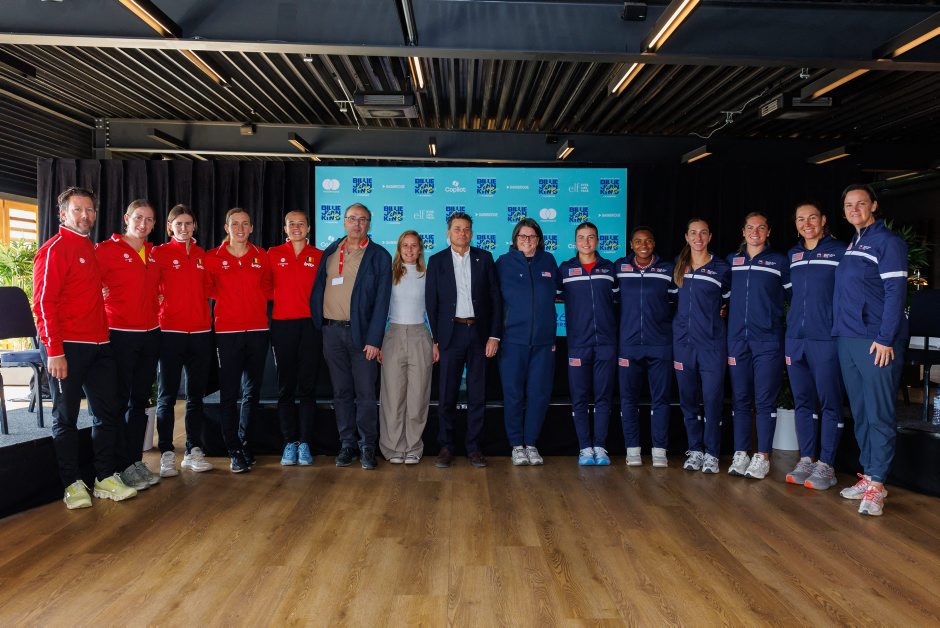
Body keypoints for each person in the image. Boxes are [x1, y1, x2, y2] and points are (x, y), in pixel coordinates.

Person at [33, 186, 137, 508]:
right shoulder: (54, 249)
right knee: (65, 417)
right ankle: (72, 484)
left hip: (100, 345)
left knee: (107, 414)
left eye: (89, 210)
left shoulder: (90, 249)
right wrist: (54, 350)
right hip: (67, 347)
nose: (85, 215)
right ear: (63, 214)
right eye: (77, 210)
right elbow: (43, 304)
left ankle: (104, 477)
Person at [833, 184, 908, 516]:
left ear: (874, 205)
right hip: (849, 338)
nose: (855, 209)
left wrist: (886, 338)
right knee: (862, 411)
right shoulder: (854, 242)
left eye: (861, 203)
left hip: (875, 341)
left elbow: (895, 292)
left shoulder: (888, 242)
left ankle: (878, 484)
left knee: (879, 413)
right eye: (849, 205)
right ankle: (868, 475)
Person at [310, 203, 391, 470]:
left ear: (369, 224)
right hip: (332, 332)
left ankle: (367, 446)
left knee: (366, 393)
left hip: (363, 336)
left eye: (362, 219)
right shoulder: (331, 251)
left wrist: (374, 340)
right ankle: (347, 444)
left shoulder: (379, 256)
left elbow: (382, 301)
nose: (357, 224)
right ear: (344, 221)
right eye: (352, 218)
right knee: (341, 392)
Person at [425, 211, 502, 469]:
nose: (462, 233)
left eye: (467, 229)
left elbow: (495, 299)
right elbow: (431, 303)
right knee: (446, 394)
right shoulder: (436, 261)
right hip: (450, 335)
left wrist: (494, 335)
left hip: (479, 333)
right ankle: (446, 446)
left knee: (477, 394)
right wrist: (435, 340)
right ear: (448, 233)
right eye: (457, 229)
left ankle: (474, 447)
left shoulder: (485, 258)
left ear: (472, 232)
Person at [95, 199, 162, 491]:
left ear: (154, 224)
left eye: (149, 220)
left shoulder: (154, 254)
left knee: (140, 402)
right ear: (126, 218)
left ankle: (134, 461)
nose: (143, 224)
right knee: (119, 401)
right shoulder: (105, 250)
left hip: (150, 334)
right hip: (120, 334)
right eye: (138, 218)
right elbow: (86, 284)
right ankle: (119, 466)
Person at [205, 208, 272, 473]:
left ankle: (245, 444)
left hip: (258, 331)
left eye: (245, 224)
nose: (240, 229)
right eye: (235, 224)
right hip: (227, 333)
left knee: (252, 393)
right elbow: (206, 288)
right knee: (229, 394)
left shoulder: (262, 256)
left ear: (252, 228)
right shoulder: (212, 257)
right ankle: (233, 448)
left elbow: (267, 288)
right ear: (226, 227)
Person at [784, 202, 846, 489]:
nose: (806, 224)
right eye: (801, 219)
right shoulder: (793, 255)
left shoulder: (839, 251)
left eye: (812, 218)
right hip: (795, 339)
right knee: (803, 402)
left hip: (826, 339)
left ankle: (826, 465)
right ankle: (807, 458)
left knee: (830, 402)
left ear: (823, 220)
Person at [725, 213, 790, 480]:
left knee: (764, 400)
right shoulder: (732, 261)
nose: (755, 232)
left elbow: (793, 296)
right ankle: (741, 453)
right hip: (737, 340)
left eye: (761, 227)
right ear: (743, 231)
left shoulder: (779, 261)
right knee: (740, 398)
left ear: (768, 231)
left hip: (768, 340)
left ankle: (762, 456)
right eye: (750, 227)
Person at [151, 204, 214, 475]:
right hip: (170, 333)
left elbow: (211, 288)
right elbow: (146, 284)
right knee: (166, 396)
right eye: (179, 224)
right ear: (170, 227)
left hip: (200, 333)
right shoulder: (159, 253)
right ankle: (167, 452)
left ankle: (193, 450)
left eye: (188, 223)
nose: (184, 228)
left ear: (194, 226)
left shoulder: (202, 255)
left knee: (195, 397)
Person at [496, 218, 559, 466]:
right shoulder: (503, 263)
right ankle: (516, 445)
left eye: (532, 236)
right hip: (512, 341)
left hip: (544, 343)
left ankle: (531, 443)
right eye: (522, 236)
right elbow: (494, 300)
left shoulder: (549, 261)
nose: (527, 240)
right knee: (513, 394)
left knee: (539, 394)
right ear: (515, 239)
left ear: (538, 239)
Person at [672, 218, 731, 474]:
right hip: (683, 344)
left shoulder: (722, 268)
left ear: (709, 237)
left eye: (703, 233)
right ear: (686, 237)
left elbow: (728, 302)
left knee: (712, 399)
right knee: (688, 400)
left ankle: (712, 454)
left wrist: (722, 310)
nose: (698, 238)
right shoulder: (678, 265)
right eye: (693, 233)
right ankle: (695, 450)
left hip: (712, 345)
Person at [614, 226, 676, 468]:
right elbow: (612, 299)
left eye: (648, 241)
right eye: (638, 241)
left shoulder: (668, 269)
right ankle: (632, 449)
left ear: (654, 244)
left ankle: (659, 450)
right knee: (628, 399)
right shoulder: (619, 268)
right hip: (628, 345)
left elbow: (678, 301)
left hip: (660, 344)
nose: (643, 245)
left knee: (660, 399)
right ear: (631, 245)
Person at [558, 222, 617, 466]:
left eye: (591, 237)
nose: (586, 241)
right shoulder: (565, 269)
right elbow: (553, 296)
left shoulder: (609, 268)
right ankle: (584, 447)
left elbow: (620, 299)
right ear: (575, 241)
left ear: (598, 240)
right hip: (578, 344)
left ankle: (600, 447)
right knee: (580, 397)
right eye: (581, 237)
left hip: (606, 343)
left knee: (603, 396)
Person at [269, 211, 323, 467]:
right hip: (282, 325)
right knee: (286, 387)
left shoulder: (319, 256)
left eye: (301, 224)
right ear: (285, 228)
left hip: (310, 326)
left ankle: (305, 443)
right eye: (292, 224)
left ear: (309, 228)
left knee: (308, 388)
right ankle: (289, 442)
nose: (296, 228)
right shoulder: (272, 254)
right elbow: (264, 286)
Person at [378, 230, 436, 464]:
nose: (410, 250)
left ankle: (413, 447)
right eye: (405, 246)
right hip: (393, 335)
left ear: (420, 249)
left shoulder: (427, 275)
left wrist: (435, 342)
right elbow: (380, 310)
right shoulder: (389, 275)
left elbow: (433, 310)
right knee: (392, 396)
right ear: (399, 249)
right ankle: (392, 447)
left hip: (420, 335)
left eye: (414, 246)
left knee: (418, 395)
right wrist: (378, 342)